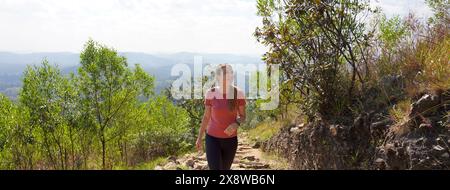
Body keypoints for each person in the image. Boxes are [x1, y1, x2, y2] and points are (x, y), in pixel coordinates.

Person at [195, 63, 246, 170]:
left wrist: (236, 123)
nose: (228, 76)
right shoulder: (211, 93)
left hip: (230, 140)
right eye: (225, 73)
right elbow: (206, 117)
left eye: (230, 73)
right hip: (212, 139)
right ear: (218, 76)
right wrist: (200, 137)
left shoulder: (239, 93)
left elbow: (243, 116)